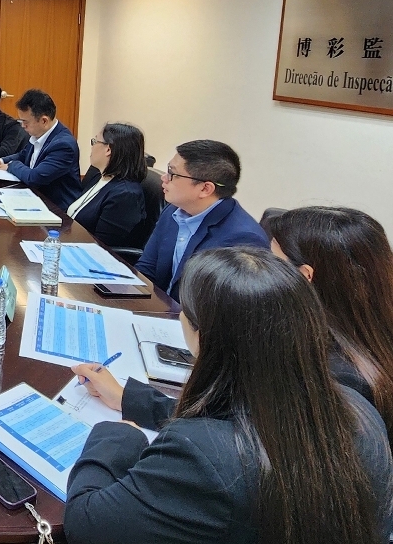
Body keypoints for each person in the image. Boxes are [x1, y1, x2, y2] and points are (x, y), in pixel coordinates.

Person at [65, 247, 393, 544]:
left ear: (203, 335)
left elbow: (86, 523)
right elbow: (246, 420)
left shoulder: (201, 457)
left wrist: (118, 436)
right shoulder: (357, 407)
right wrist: (131, 399)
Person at [268, 206, 393, 433]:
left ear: (305, 275)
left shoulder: (332, 375)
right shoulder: (375, 327)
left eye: (275, 262)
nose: (267, 271)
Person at [134, 139, 267, 300]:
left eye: (172, 173)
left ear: (205, 188)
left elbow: (221, 307)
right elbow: (147, 268)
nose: (164, 178)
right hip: (158, 308)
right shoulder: (174, 210)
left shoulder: (244, 239)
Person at [0, 89, 81, 209]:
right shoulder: (39, 133)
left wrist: (11, 165)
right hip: (34, 197)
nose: (23, 126)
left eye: (25, 122)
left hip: (55, 207)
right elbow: (23, 155)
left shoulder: (63, 145)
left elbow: (35, 177)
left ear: (44, 121)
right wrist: (0, 161)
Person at [67, 123, 148, 249]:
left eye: (95, 141)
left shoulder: (125, 195)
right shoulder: (99, 176)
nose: (92, 146)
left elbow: (103, 246)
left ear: (108, 150)